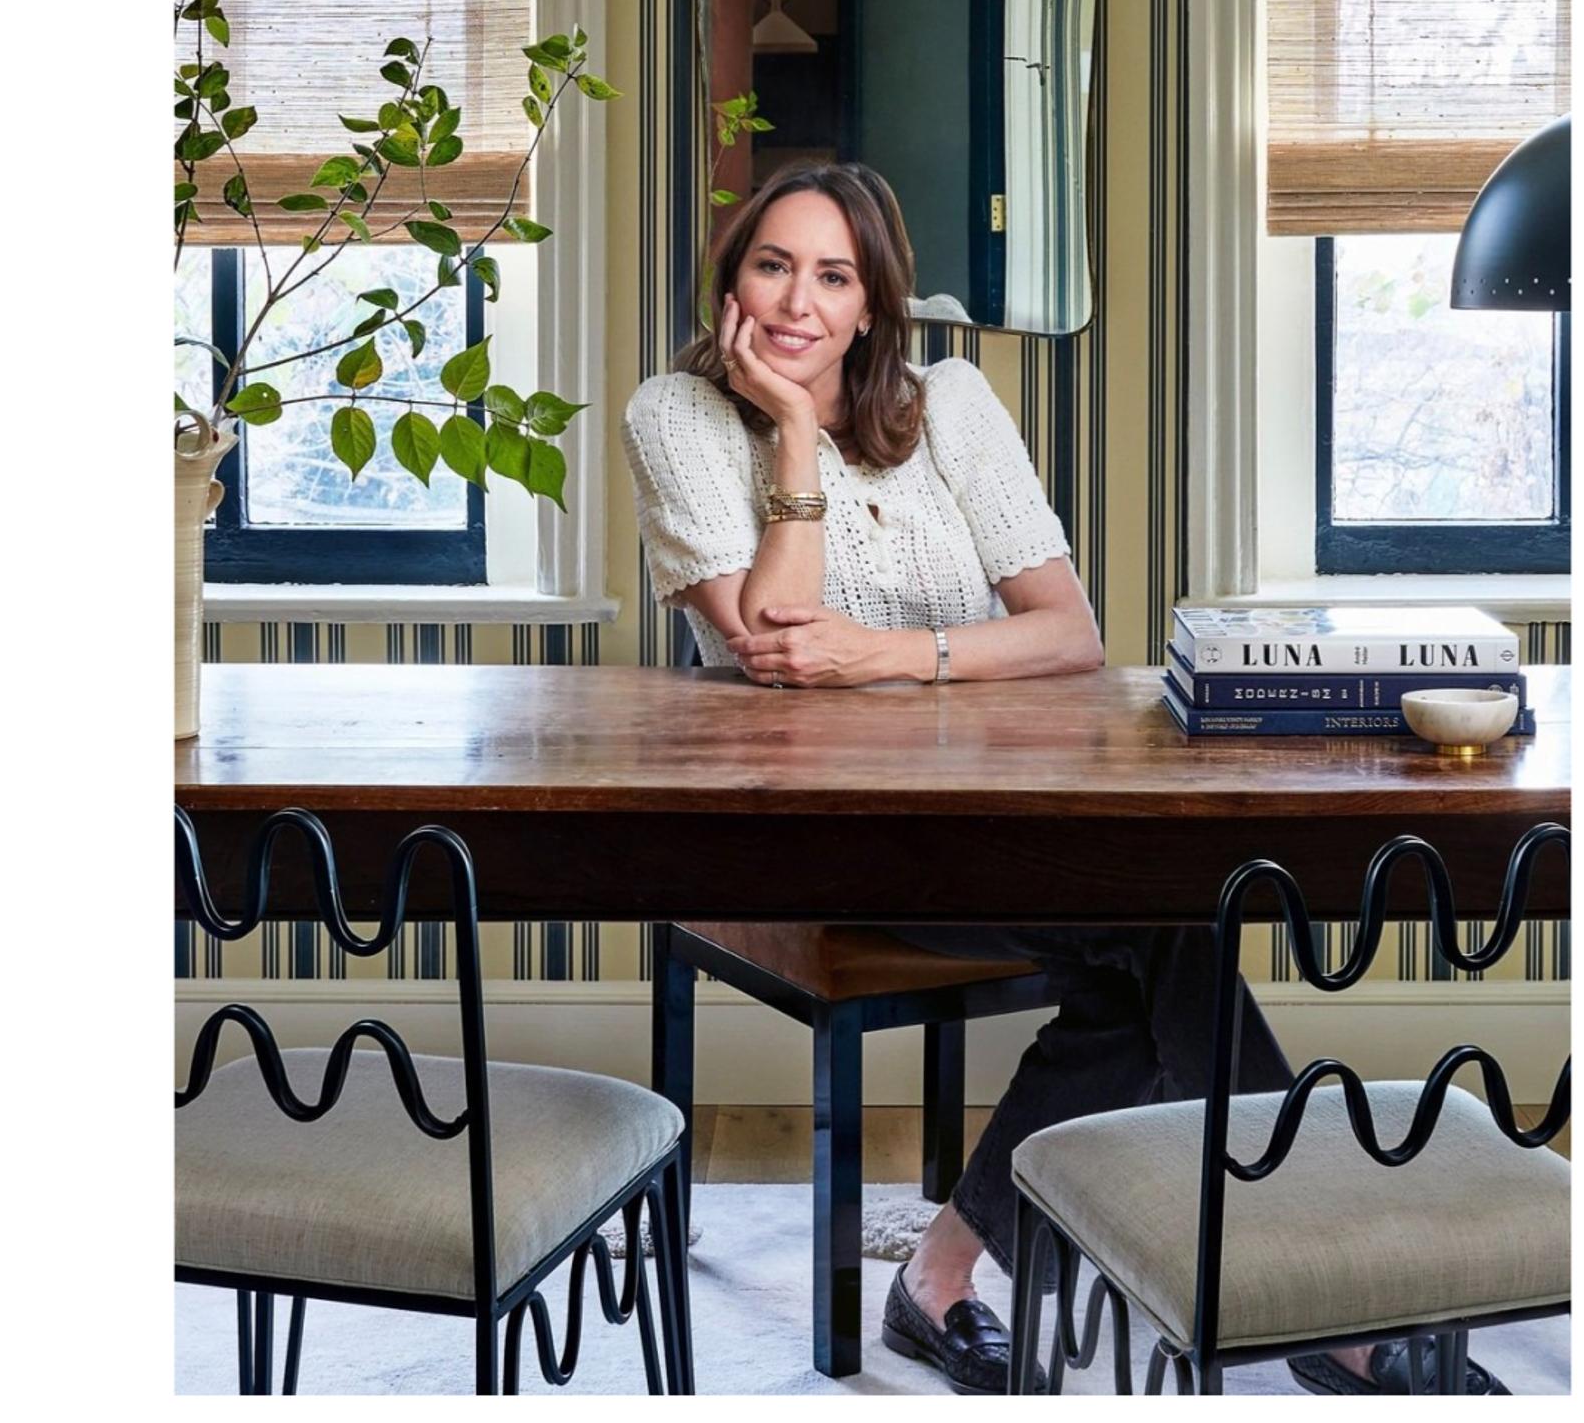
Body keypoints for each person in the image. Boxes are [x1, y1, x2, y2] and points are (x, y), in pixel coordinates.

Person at [622, 163, 1497, 1396]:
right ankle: (1330, 1297)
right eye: (773, 266)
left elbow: (1067, 632)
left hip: (993, 812)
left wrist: (885, 657)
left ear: (873, 304)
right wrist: (799, 435)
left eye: (835, 276)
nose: (798, 304)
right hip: (810, 837)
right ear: (733, 279)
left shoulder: (953, 404)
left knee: (1162, 938)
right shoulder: (674, 414)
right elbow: (770, 640)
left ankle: (946, 1276)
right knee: (1164, 945)